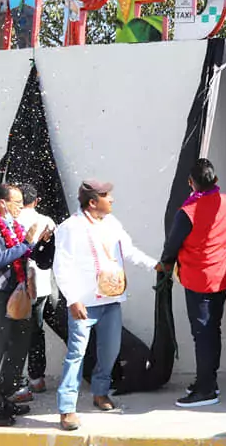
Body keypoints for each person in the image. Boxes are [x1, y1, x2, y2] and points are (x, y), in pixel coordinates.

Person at [54, 179, 161, 430]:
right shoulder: (70, 227)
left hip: (111, 300)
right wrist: (72, 299)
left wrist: (155, 265)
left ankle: (100, 392)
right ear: (93, 202)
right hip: (84, 303)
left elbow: (129, 251)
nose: (111, 199)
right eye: (106, 196)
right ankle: (67, 408)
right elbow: (62, 266)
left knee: (110, 351)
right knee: (76, 355)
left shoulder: (112, 223)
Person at [161, 159, 226, 408]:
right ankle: (208, 380)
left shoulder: (188, 212)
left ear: (191, 183)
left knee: (203, 334)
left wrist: (165, 263)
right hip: (222, 277)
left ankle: (206, 389)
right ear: (215, 181)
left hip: (199, 279)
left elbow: (172, 245)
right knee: (211, 330)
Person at [0, 184, 43, 426]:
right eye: (16, 202)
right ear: (2, 203)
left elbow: (24, 256)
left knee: (18, 350)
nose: (20, 207)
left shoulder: (16, 229)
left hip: (20, 296)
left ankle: (5, 399)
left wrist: (38, 243)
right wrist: (26, 244)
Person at [14, 183, 57, 396]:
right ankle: (37, 377)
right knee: (35, 331)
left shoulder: (11, 222)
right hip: (41, 286)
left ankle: (14, 378)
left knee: (14, 332)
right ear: (37, 201)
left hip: (15, 285)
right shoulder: (47, 221)